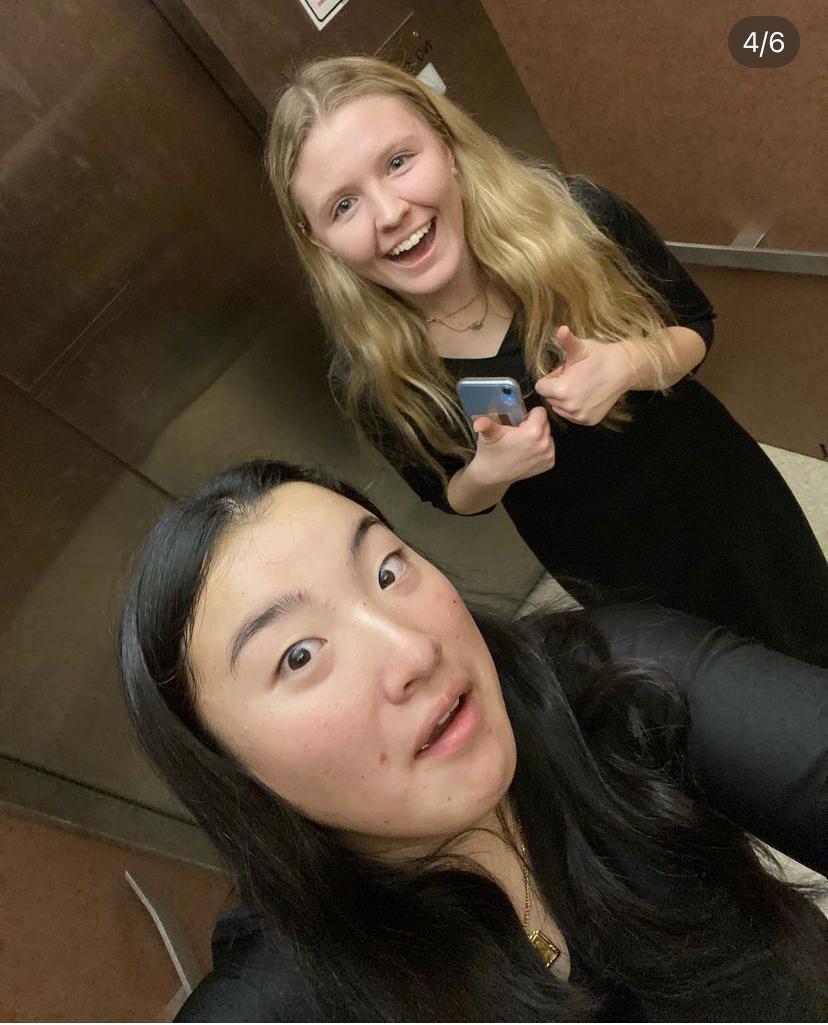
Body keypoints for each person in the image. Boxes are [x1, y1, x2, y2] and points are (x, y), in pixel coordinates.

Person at [119, 459, 828, 1022]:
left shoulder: (620, 681)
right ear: (230, 768)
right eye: (299, 655)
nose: (413, 650)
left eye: (387, 571)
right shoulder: (285, 997)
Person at [264, 55, 828, 666]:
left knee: (809, 632)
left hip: (723, 497)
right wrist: (491, 472)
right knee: (710, 690)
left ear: (446, 145)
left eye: (398, 162)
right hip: (606, 570)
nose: (390, 213)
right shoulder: (370, 375)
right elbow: (450, 494)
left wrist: (630, 363)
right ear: (318, 239)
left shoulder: (580, 218)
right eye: (343, 206)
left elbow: (695, 326)